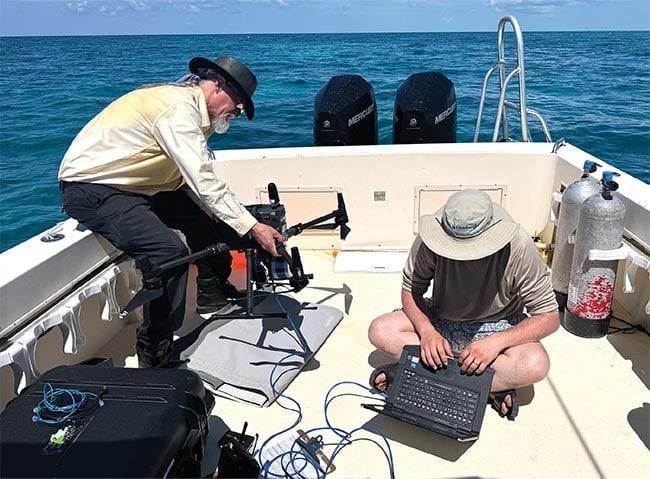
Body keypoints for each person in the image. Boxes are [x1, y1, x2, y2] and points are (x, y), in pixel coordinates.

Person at [58, 55, 284, 368]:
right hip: (93, 189)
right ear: (219, 86)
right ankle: (154, 349)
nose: (238, 111)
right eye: (239, 102)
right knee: (169, 254)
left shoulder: (191, 111)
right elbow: (203, 179)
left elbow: (189, 181)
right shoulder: (179, 109)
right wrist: (253, 227)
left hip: (139, 185)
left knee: (201, 218)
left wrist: (239, 220)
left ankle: (212, 291)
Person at [367, 189, 559, 419]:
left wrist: (497, 342)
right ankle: (487, 387)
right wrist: (427, 332)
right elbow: (411, 290)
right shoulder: (429, 239)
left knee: (535, 364)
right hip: (441, 319)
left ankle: (419, 372)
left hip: (499, 324)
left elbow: (549, 317)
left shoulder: (518, 245)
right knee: (380, 330)